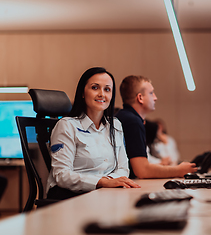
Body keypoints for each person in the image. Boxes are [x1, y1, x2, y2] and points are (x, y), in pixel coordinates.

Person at [46, 67, 140, 200]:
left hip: (102, 194)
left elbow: (123, 169)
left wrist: (109, 182)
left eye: (107, 89)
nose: (102, 94)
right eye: (95, 88)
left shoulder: (116, 125)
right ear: (83, 93)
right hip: (70, 196)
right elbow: (62, 175)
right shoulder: (67, 125)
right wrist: (101, 182)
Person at [115, 75, 197, 179]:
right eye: (151, 93)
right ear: (140, 98)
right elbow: (142, 171)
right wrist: (179, 170)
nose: (155, 98)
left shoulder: (127, 117)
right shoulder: (133, 121)